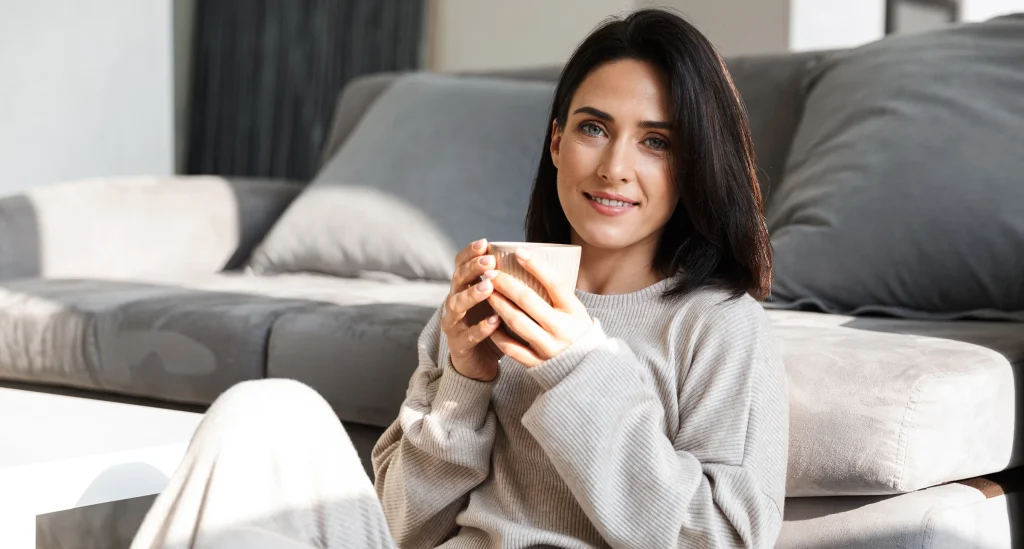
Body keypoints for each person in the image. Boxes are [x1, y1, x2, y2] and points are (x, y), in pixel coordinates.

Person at [131, 8, 787, 549]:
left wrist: (577, 367)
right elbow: (399, 528)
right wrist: (462, 385)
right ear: (557, 142)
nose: (615, 166)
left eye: (656, 141)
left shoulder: (720, 326)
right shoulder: (492, 293)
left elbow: (723, 538)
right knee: (265, 411)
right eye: (594, 128)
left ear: (694, 162)